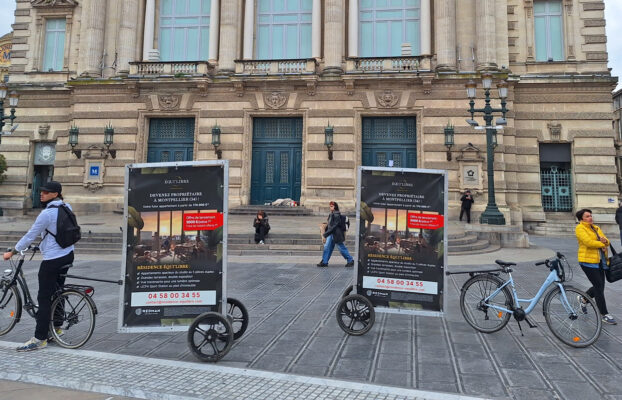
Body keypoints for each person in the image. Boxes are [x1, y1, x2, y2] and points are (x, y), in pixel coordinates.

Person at [2, 181, 76, 351]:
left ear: (55, 194)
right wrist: (41, 246)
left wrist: (12, 252)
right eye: (41, 190)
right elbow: (58, 231)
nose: (41, 194)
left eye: (46, 192)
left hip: (53, 259)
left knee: (44, 297)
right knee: (58, 291)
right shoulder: (67, 206)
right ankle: (56, 328)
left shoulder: (47, 214)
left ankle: (39, 338)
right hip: (67, 254)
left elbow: (30, 235)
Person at [575, 208, 617, 325]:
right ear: (581, 219)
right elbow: (588, 242)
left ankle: (583, 298)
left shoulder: (596, 228)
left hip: (600, 261)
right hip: (587, 262)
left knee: (600, 286)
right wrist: (601, 243)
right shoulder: (580, 228)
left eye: (591, 215)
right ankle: (604, 314)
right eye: (587, 216)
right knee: (599, 287)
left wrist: (605, 242)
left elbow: (607, 241)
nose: (590, 218)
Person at [317, 201, 354, 268]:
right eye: (330, 206)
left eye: (332, 206)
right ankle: (324, 261)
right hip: (331, 233)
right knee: (327, 247)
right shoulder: (332, 214)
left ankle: (350, 260)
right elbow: (330, 225)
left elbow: (334, 226)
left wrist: (325, 234)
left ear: (335, 207)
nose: (330, 207)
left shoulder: (336, 214)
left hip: (336, 234)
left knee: (341, 248)